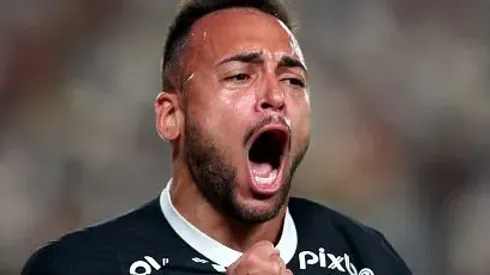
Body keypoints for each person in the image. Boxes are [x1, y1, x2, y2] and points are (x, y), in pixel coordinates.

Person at [22, 0, 412, 274]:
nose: (276, 97)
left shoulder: (367, 258)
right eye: (240, 76)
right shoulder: (78, 266)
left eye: (293, 80)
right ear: (171, 116)